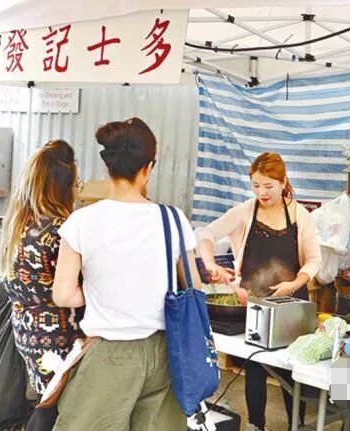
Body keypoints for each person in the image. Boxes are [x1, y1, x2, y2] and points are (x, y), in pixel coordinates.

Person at [52, 117, 201, 431]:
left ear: (107, 166)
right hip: (166, 353)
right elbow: (193, 288)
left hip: (109, 354)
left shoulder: (81, 221)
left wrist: (98, 291)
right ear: (148, 167)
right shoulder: (173, 219)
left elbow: (63, 295)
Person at [197, 152, 322, 431]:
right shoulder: (245, 211)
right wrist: (210, 263)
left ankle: (296, 425)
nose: (261, 192)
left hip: (292, 305)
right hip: (253, 305)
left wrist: (294, 283)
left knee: (292, 371)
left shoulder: (299, 215)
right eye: (255, 185)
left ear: (283, 182)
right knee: (254, 366)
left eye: (268, 186)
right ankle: (256, 425)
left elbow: (314, 261)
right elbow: (206, 234)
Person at [0, 139, 84, 431]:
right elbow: (73, 289)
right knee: (58, 411)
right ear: (61, 187)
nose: (77, 191)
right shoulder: (62, 230)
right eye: (76, 184)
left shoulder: (18, 223)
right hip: (59, 337)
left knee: (47, 403)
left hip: (27, 332)